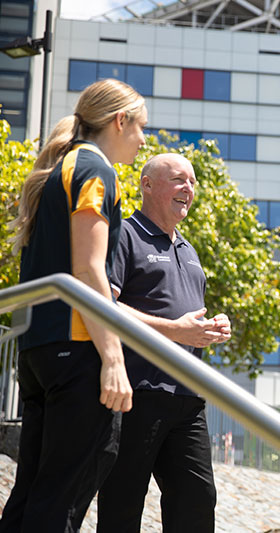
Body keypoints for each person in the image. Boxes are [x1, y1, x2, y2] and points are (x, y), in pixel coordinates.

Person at [0, 79, 146, 531]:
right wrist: (113, 358)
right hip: (76, 347)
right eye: (141, 128)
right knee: (62, 495)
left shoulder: (62, 166)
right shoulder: (95, 171)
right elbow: (88, 270)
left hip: (40, 349)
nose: (143, 140)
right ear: (119, 121)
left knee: (35, 493)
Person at [96, 153, 231, 532]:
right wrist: (177, 330)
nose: (188, 188)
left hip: (187, 397)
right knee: (122, 505)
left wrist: (211, 327)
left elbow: (186, 317)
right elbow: (103, 305)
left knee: (198, 503)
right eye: (178, 179)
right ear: (147, 184)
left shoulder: (189, 251)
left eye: (192, 181)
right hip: (134, 394)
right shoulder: (124, 234)